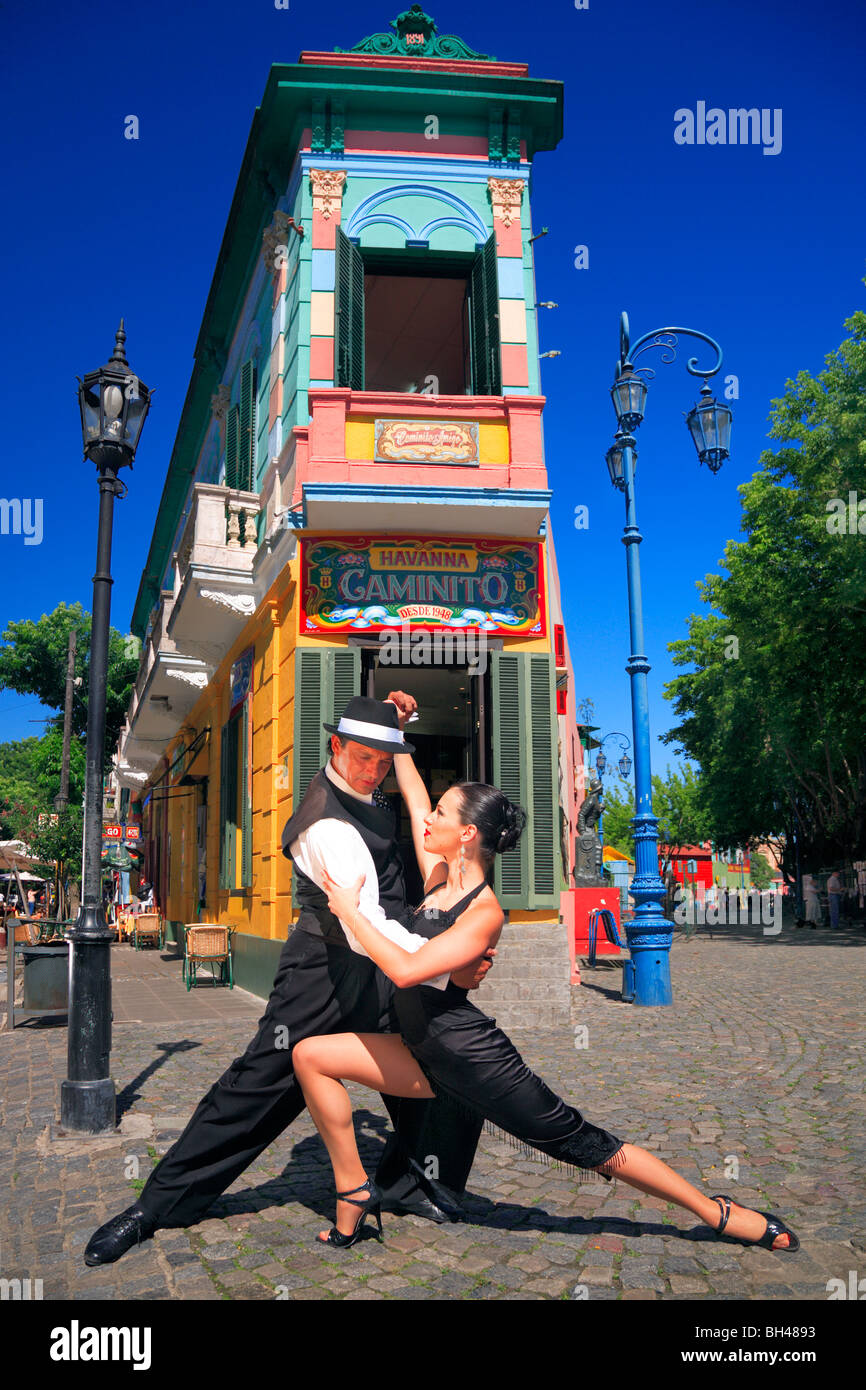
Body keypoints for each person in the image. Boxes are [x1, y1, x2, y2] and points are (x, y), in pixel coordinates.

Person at [292, 699, 799, 1255]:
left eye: (441, 811)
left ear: (466, 834)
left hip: (470, 1057)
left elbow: (407, 969)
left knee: (585, 1143)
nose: (427, 816)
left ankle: (716, 1212)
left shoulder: (484, 911)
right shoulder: (438, 876)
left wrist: (350, 910)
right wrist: (396, 730)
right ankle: (355, 1192)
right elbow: (412, 795)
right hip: (422, 1056)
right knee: (310, 1055)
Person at [84, 693, 490, 1267]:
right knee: (255, 1088)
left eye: (383, 759)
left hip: (388, 963)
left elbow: (408, 789)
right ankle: (154, 1207)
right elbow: (362, 923)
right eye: (364, 756)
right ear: (335, 747)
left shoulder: (369, 784)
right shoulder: (322, 824)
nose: (374, 769)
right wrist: (445, 961)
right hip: (327, 971)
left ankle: (413, 1186)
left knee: (443, 1064)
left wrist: (393, 733)